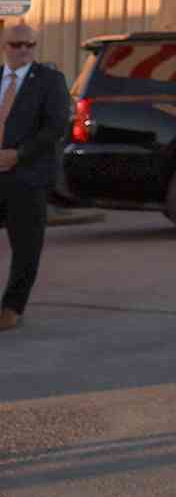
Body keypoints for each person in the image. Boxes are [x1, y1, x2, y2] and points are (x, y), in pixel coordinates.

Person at [0, 22, 69, 332]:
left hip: (27, 175)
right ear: (5, 46)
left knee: (26, 246)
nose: (24, 50)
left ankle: (12, 307)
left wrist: (19, 154)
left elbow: (54, 127)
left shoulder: (50, 80)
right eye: (17, 45)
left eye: (30, 44)